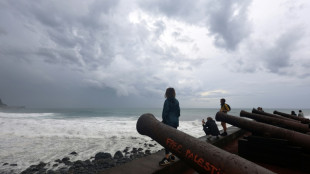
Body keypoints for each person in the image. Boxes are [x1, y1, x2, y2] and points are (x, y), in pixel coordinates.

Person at [159, 87, 180, 166]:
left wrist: (164, 122)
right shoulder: (177, 101)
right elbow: (178, 113)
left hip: (168, 123)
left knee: (167, 141)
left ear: (167, 93)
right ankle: (173, 156)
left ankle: (167, 158)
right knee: (173, 139)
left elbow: (165, 113)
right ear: (174, 93)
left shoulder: (167, 101)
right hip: (175, 123)